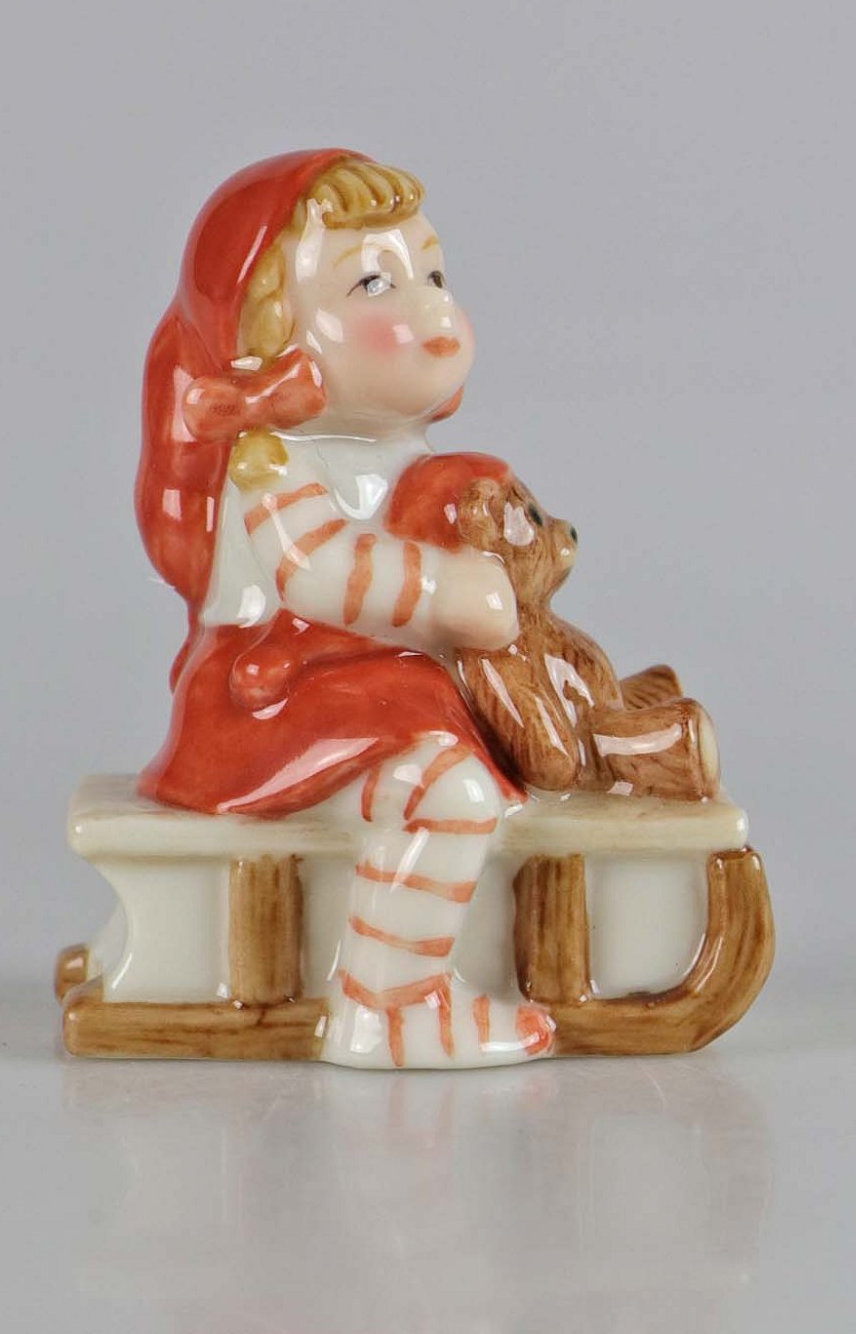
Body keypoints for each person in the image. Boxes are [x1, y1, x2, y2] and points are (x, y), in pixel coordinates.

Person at [136, 150, 554, 1067]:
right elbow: (317, 572)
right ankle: (389, 1007)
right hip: (268, 707)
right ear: (268, 338)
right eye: (373, 284)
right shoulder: (273, 459)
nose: (431, 310)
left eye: (433, 276)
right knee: (450, 792)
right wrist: (452, 592)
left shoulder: (400, 456)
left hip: (357, 692)